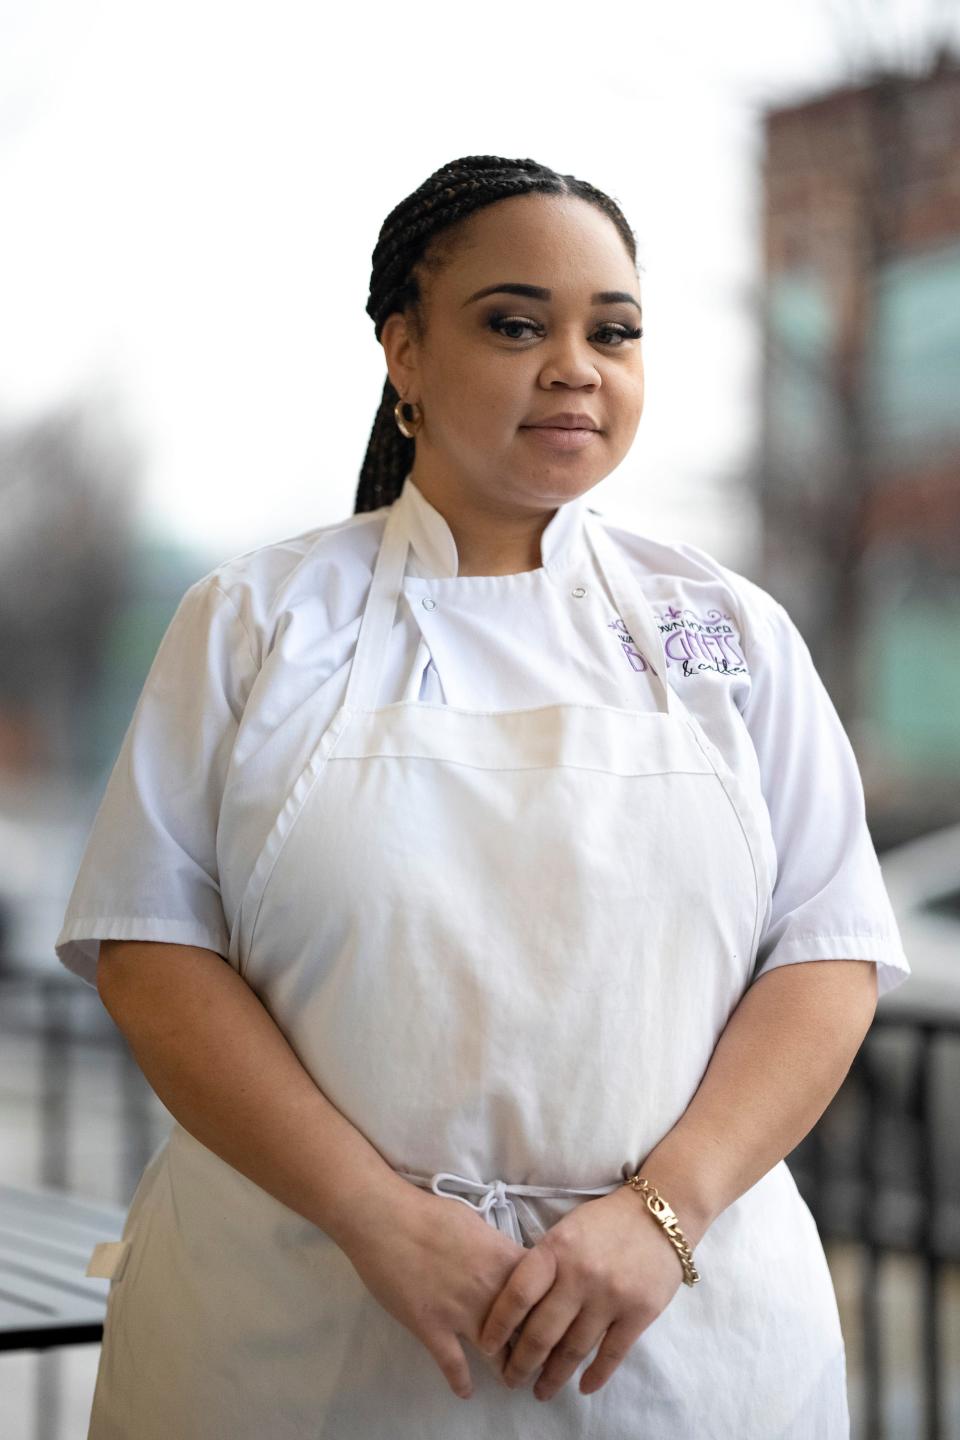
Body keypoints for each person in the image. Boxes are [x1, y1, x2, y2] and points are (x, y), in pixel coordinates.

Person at [57, 153, 911, 1439]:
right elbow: (151, 951)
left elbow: (829, 955)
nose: (576, 363)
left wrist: (659, 1219)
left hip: (677, 1349)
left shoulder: (724, 632)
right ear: (403, 350)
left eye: (611, 331)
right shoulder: (256, 623)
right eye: (517, 324)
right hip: (299, 1336)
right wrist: (374, 1213)